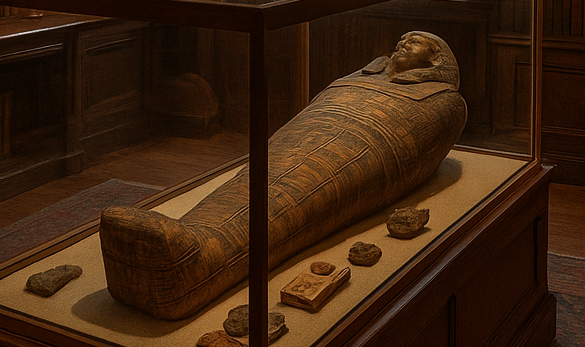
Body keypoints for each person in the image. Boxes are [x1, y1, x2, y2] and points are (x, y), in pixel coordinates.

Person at [99, 31, 467, 320]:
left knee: (304, 189)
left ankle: (201, 260)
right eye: (401, 39)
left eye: (416, 41)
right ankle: (195, 238)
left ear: (435, 60)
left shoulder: (445, 102)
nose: (403, 41)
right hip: (318, 125)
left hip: (369, 140)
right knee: (261, 174)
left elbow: (419, 158)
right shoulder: (358, 77)